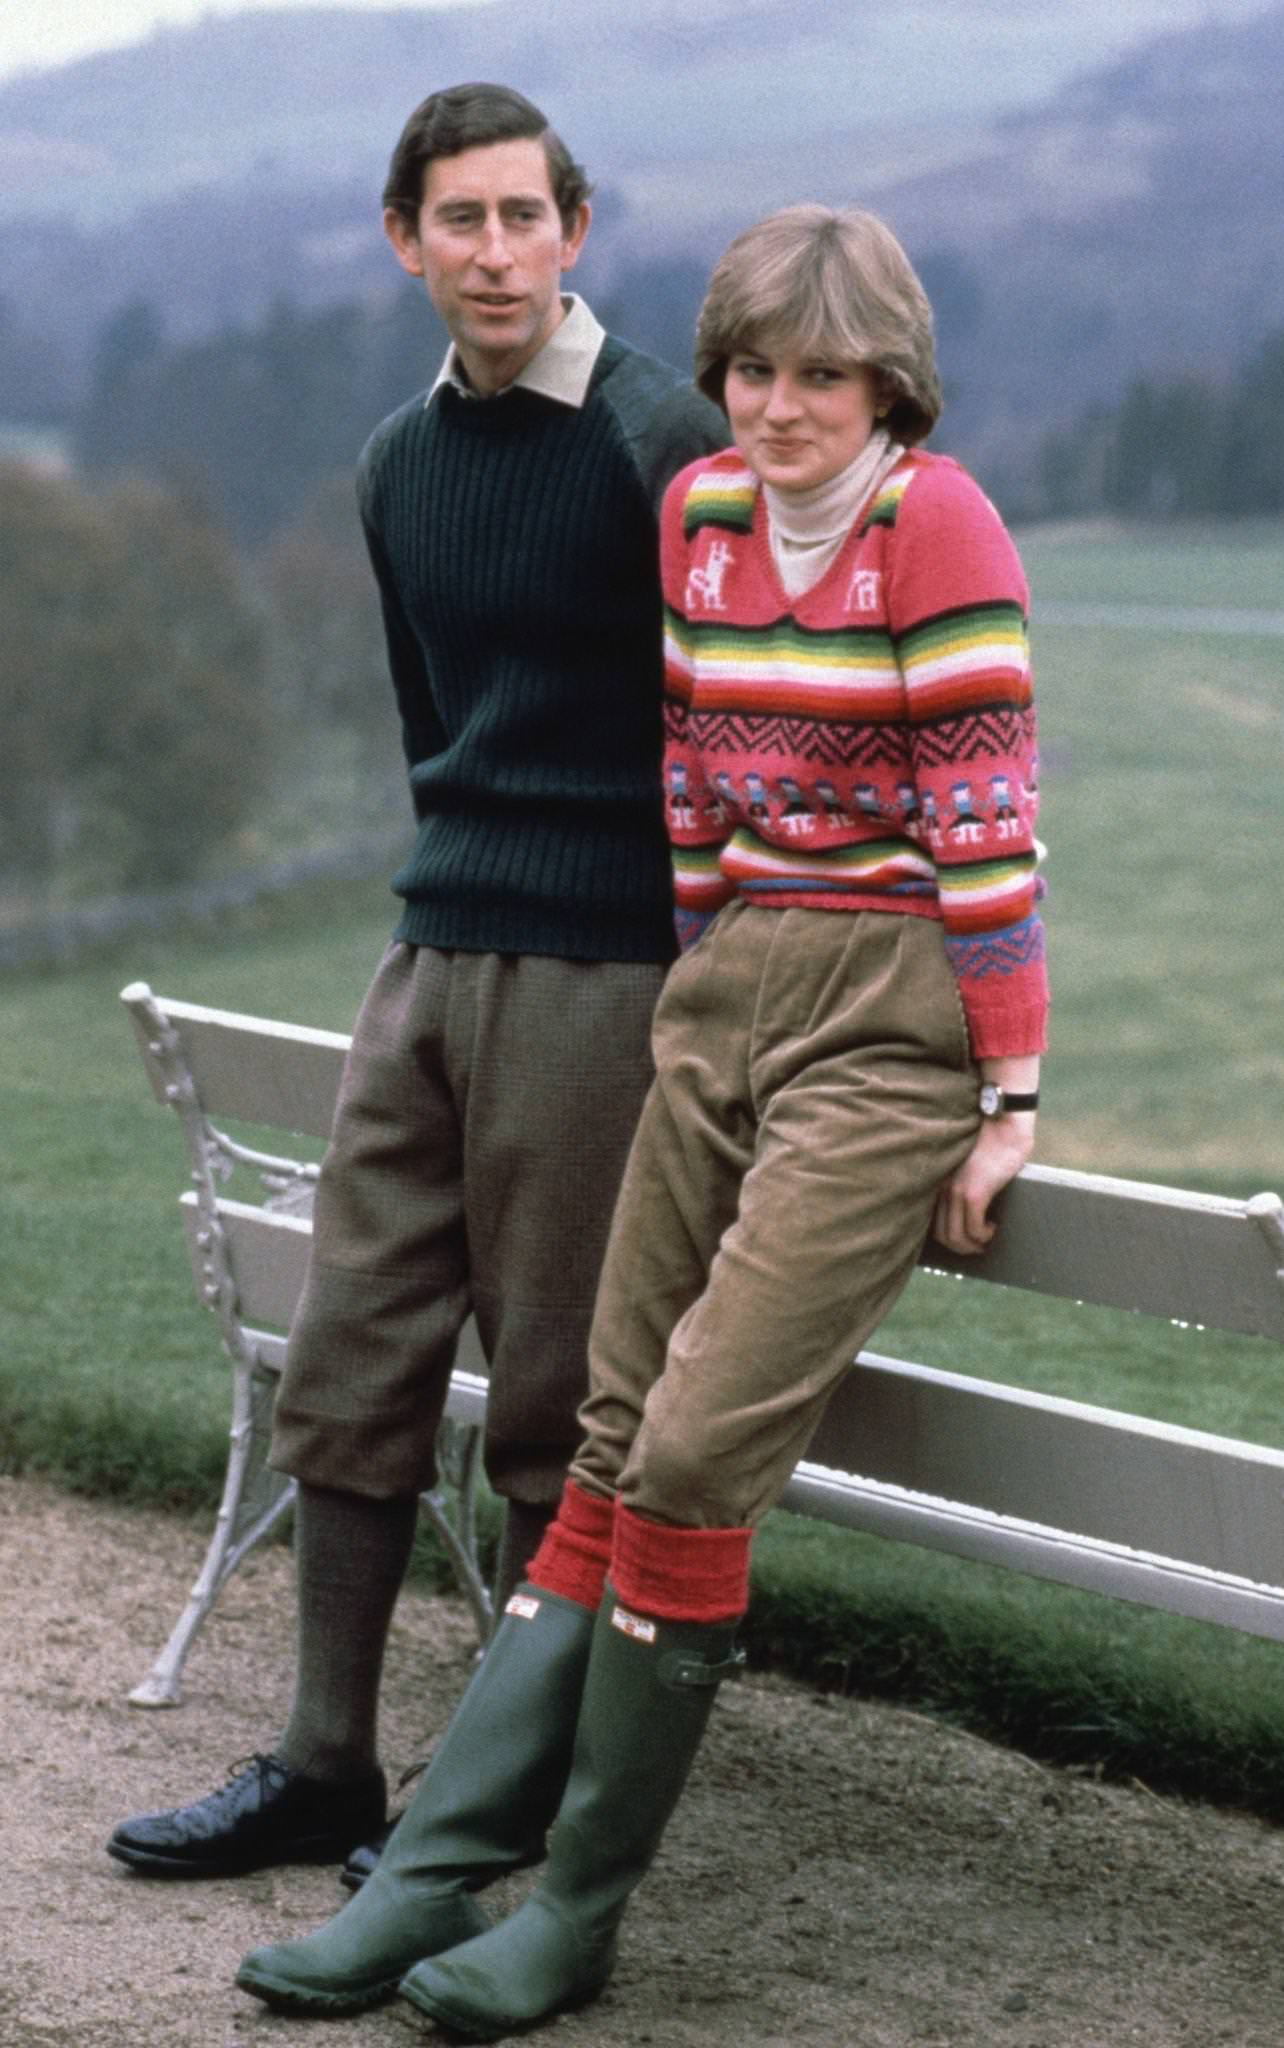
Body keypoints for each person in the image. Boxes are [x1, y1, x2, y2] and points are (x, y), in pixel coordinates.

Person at [231, 202, 1048, 2033]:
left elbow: (985, 828)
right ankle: (437, 1875)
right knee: (607, 1435)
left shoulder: (940, 525)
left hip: (889, 1013)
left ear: (886, 379)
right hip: (727, 983)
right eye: (752, 370)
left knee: (685, 1455)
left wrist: (1004, 1091)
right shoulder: (700, 518)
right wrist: (701, 980)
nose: (773, 409)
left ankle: (575, 1911)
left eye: (819, 377)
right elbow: (688, 769)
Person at [105, 82, 725, 1885]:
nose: (495, 250)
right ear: (406, 242)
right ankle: (324, 1766)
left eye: (525, 216)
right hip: (432, 948)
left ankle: (496, 1802)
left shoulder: (660, 440)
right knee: (353, 1351)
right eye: (459, 220)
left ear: (574, 231)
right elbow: (435, 728)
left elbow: (719, 727)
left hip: (609, 973)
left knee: (551, 1391)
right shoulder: (396, 466)